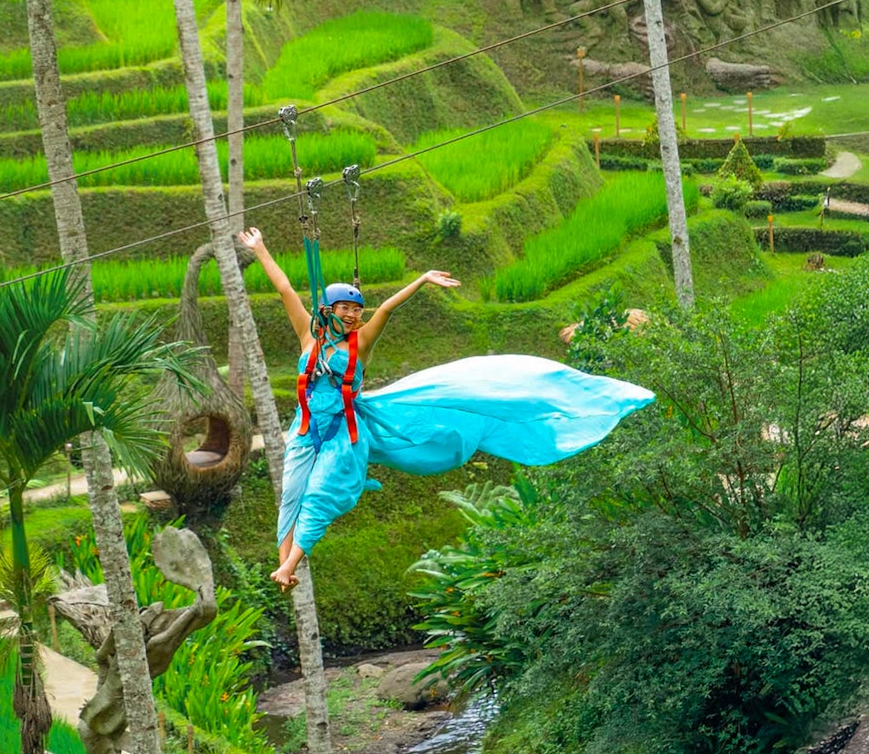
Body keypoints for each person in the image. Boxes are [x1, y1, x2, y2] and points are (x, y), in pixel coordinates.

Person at [237, 226, 656, 592]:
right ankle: (286, 567)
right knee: (290, 496)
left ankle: (290, 565)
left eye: (356, 311)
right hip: (305, 430)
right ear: (328, 311)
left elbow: (386, 309)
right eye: (345, 310)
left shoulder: (360, 344)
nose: (352, 316)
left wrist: (420, 280)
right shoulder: (309, 341)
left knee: (321, 493)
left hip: (346, 434)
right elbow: (286, 291)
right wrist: (259, 250)